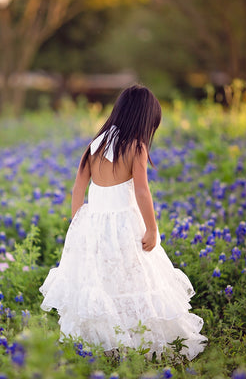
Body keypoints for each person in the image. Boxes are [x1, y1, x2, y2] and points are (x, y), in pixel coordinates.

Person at [39, 84, 207, 360]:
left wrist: (79, 221)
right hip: (126, 225)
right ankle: (137, 339)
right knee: (134, 279)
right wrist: (152, 228)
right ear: (143, 118)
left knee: (103, 280)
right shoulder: (136, 146)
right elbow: (141, 190)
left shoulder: (95, 144)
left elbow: (78, 186)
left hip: (94, 224)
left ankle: (107, 342)